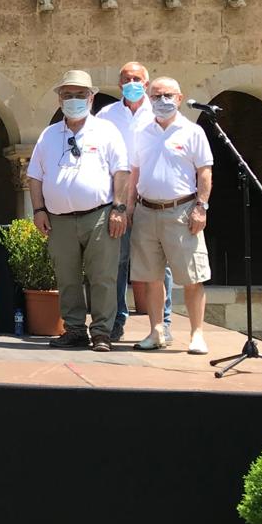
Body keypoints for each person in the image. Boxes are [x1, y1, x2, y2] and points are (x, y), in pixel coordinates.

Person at [27, 70, 129, 352]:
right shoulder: (48, 135)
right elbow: (35, 175)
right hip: (59, 219)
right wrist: (38, 209)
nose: (74, 100)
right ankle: (74, 330)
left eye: (80, 95)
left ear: (91, 97)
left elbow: (121, 171)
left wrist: (119, 208)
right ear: (59, 99)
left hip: (99, 215)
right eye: (68, 95)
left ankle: (101, 333)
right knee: (67, 277)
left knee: (103, 276)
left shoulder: (106, 131)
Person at [127, 77, 214, 354]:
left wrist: (201, 207)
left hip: (182, 211)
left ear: (179, 98)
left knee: (191, 277)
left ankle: (197, 333)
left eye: (168, 95)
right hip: (146, 211)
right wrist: (129, 207)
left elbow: (204, 172)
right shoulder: (142, 132)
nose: (162, 101)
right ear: (148, 99)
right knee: (151, 277)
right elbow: (135, 172)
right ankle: (156, 331)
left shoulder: (192, 131)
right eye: (156, 96)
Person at [98, 61, 174, 343]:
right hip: (117, 200)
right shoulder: (107, 115)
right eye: (127, 79)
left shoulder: (159, 114)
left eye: (137, 78)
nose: (132, 83)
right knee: (116, 262)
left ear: (146, 82)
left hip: (149, 200)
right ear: (119, 85)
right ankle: (118, 319)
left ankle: (164, 323)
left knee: (159, 264)